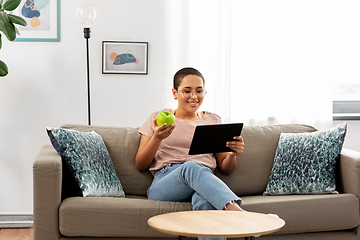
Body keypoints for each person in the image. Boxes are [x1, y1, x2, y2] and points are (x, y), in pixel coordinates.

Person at [135, 67, 245, 240]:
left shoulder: (213, 120)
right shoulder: (158, 117)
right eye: (187, 91)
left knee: (205, 201)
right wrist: (157, 138)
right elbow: (140, 164)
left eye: (199, 91)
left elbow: (225, 168)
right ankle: (240, 215)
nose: (194, 97)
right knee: (191, 167)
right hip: (165, 183)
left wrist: (232, 154)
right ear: (175, 92)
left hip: (203, 181)